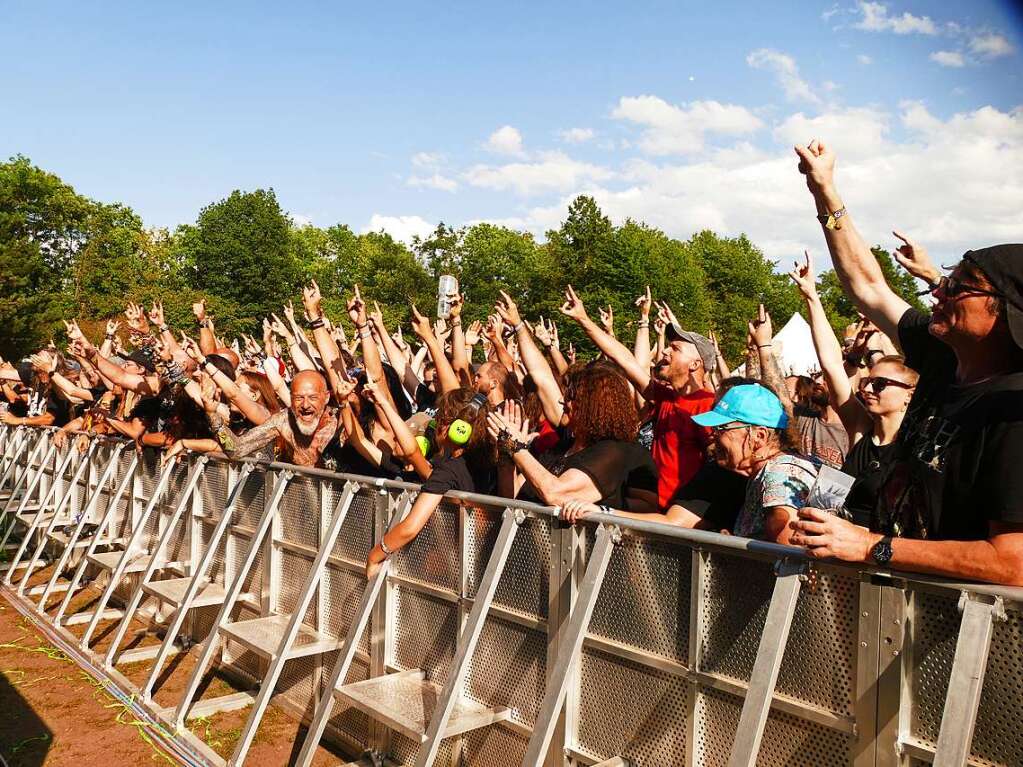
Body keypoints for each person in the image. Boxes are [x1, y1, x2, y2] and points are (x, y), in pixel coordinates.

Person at [788, 138, 1023, 585]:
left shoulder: (1014, 410)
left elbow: (1014, 562)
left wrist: (871, 547)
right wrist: (826, 193)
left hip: (966, 635)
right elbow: (869, 288)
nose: (939, 291)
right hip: (899, 608)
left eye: (960, 286)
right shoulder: (941, 354)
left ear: (1006, 314)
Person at [789, 250, 919, 524]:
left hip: (877, 559)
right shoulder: (860, 430)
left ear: (911, 392)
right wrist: (812, 298)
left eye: (880, 384)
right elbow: (832, 365)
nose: (868, 389)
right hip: (826, 551)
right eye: (868, 381)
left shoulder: (918, 445)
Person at [559, 285, 715, 508]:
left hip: (680, 520)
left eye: (675, 349)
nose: (665, 352)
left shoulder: (708, 406)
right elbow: (624, 358)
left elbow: (716, 468)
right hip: (652, 510)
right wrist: (583, 319)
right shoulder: (666, 398)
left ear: (695, 364)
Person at [486, 362, 657, 511]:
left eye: (570, 396)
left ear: (592, 405)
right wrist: (505, 456)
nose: (561, 400)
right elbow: (511, 495)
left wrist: (515, 447)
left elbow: (555, 494)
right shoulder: (562, 447)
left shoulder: (614, 452)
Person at [365, 388, 494, 577]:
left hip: (457, 568)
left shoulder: (448, 471)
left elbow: (410, 527)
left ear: (457, 429)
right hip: (482, 564)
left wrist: (375, 555)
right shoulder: (487, 460)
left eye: (439, 419)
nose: (434, 427)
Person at [690, 383, 817, 543]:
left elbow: (788, 547)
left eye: (721, 428)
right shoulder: (763, 472)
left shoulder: (779, 476)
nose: (713, 435)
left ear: (759, 436)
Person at [203, 369, 339, 467]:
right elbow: (237, 450)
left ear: (326, 397)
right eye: (299, 398)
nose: (305, 405)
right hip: (300, 498)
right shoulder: (283, 420)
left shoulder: (339, 420)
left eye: (312, 397)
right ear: (291, 398)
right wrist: (212, 415)